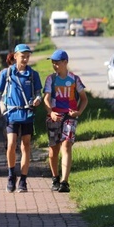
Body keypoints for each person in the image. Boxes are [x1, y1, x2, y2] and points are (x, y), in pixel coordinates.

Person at [0, 44, 43, 193]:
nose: (26, 59)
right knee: (11, 144)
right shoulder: (6, 73)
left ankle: (23, 180)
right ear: (15, 56)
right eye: (23, 56)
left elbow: (39, 94)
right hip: (11, 114)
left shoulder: (33, 75)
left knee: (26, 145)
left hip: (27, 114)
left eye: (28, 56)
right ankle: (10, 175)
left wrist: (38, 100)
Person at [43, 49, 88, 193]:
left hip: (70, 116)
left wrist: (79, 112)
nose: (54, 65)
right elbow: (46, 98)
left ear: (65, 62)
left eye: (57, 62)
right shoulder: (51, 79)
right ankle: (55, 178)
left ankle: (65, 182)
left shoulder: (74, 79)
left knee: (67, 145)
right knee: (53, 151)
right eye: (53, 63)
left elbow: (84, 98)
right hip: (54, 116)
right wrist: (51, 112)